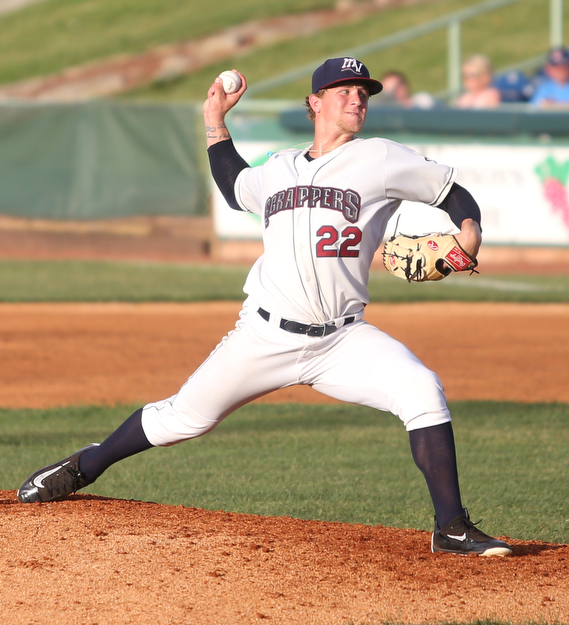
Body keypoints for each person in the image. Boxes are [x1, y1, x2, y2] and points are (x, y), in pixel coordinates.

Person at [17, 57, 512, 557]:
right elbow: (234, 185)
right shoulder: (278, 168)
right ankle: (86, 465)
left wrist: (468, 230)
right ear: (315, 103)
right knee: (181, 420)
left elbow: (453, 194)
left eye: (364, 92)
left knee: (421, 388)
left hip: (342, 339)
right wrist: (215, 122)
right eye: (344, 90)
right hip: (263, 336)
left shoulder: (382, 158)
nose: (358, 98)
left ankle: (451, 528)